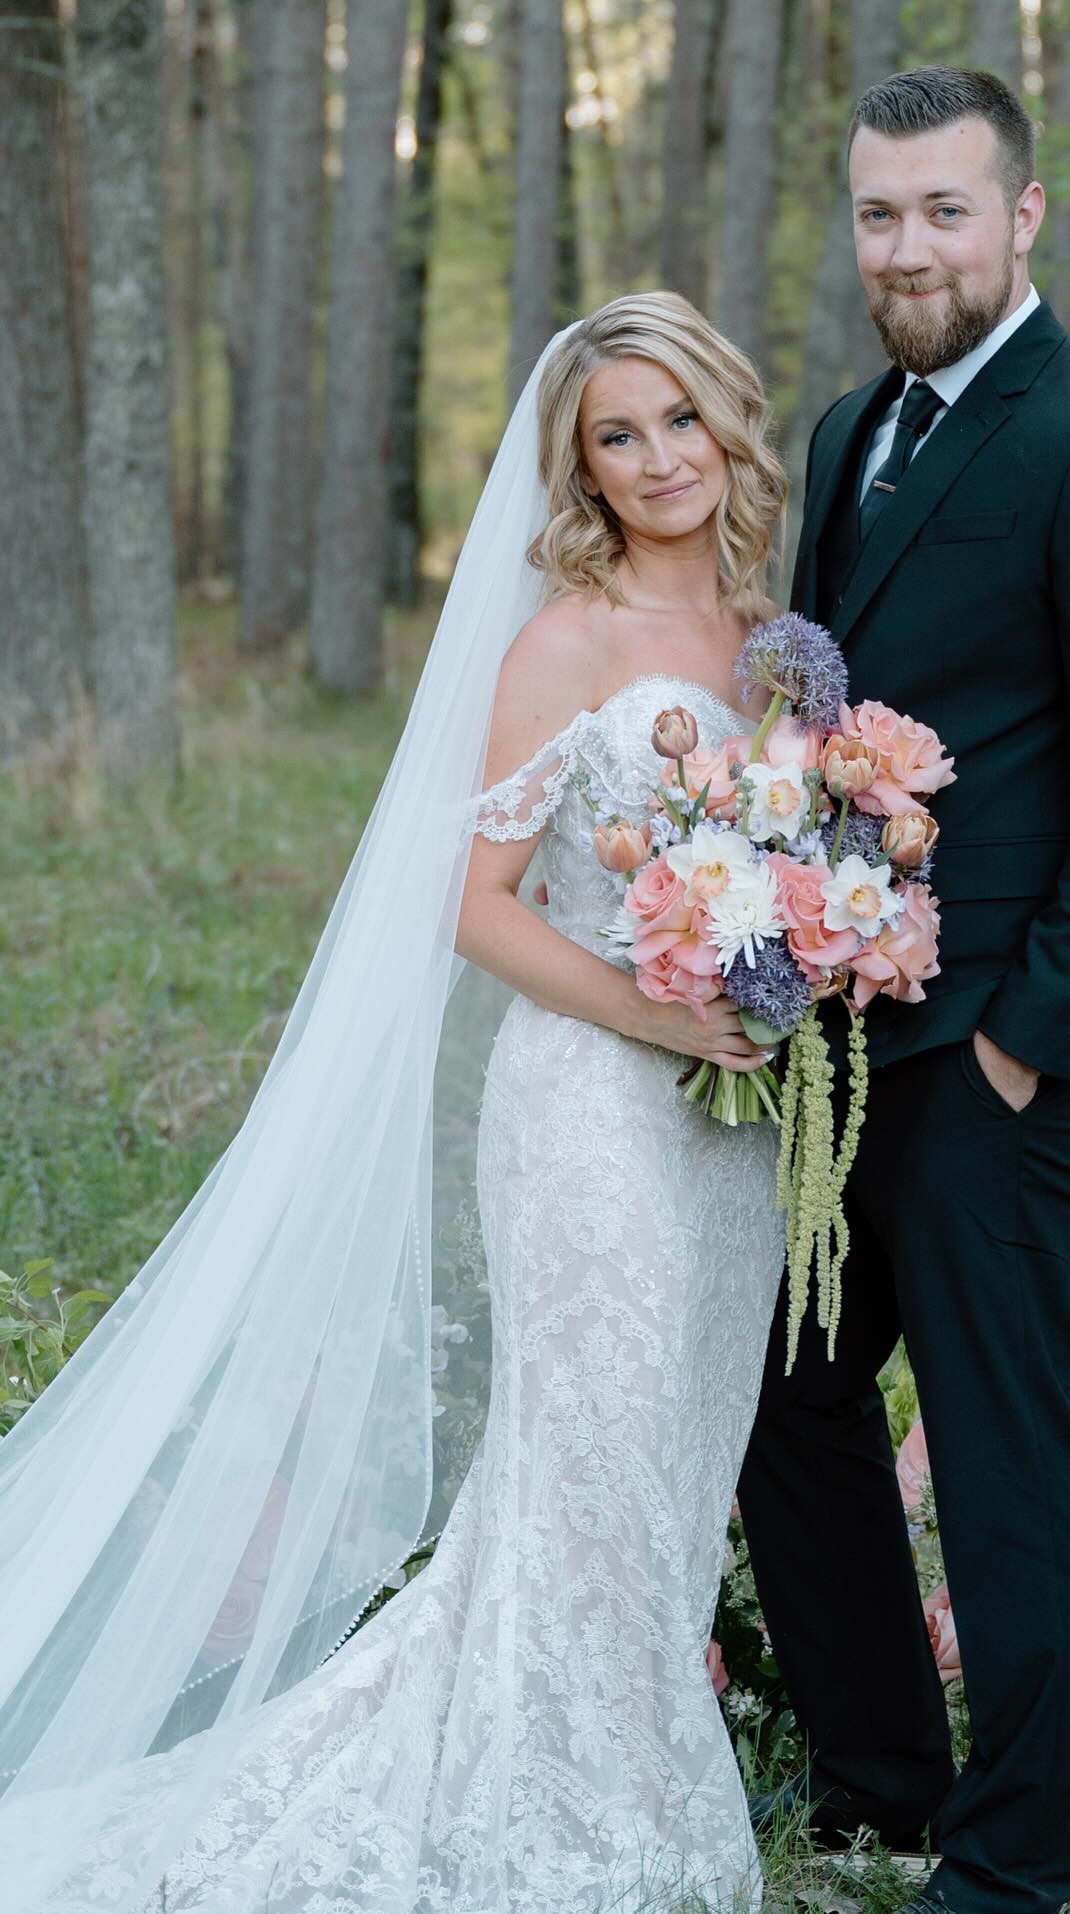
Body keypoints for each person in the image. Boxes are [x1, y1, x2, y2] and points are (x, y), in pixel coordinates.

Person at [0, 292, 788, 1912]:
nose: (655, 461)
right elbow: (474, 899)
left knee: (675, 1460)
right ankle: (583, 1808)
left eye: (676, 420)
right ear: (578, 471)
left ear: (728, 417)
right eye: (614, 438)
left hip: (734, 1140)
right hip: (592, 1113)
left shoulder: (774, 632)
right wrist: (659, 1009)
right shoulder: (563, 639)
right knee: (590, 1460)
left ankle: (608, 1756)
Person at [738, 67, 1070, 1914]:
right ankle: (879, 1778)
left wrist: (1030, 1036)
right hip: (850, 1033)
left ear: (1024, 217)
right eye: (881, 213)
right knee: (792, 1384)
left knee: (1003, 1441)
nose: (911, 244)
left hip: (996, 1041)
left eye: (947, 209)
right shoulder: (864, 428)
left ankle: (1014, 1865)